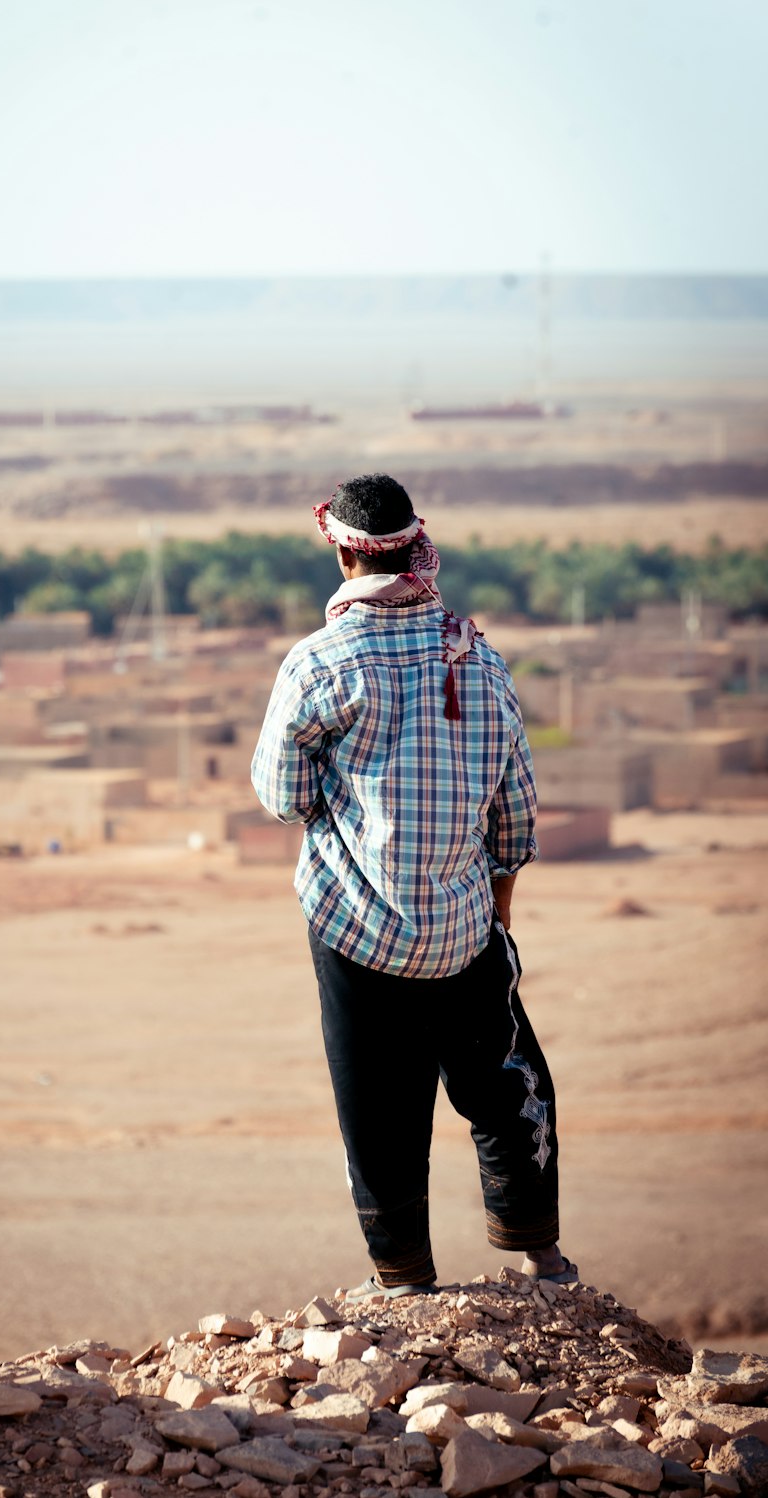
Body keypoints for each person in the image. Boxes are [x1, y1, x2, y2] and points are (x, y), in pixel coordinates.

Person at [251, 473, 575, 1301]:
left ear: (341, 548)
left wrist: (340, 794)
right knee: (505, 1083)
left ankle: (405, 1283)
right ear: (413, 546)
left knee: (379, 1107)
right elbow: (515, 814)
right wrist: (494, 922)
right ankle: (540, 1256)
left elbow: (283, 797)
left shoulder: (319, 663)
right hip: (466, 926)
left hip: (354, 926)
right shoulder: (480, 657)